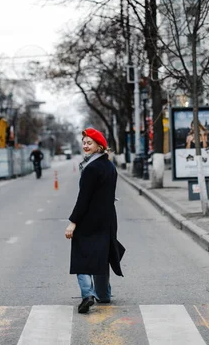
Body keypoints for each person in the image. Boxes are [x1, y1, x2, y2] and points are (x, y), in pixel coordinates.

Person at [65, 128, 125, 314]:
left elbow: (84, 199)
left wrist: (73, 223)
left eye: (89, 142)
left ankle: (87, 294)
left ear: (99, 146)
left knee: (82, 256)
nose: (85, 145)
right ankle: (104, 295)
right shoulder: (109, 166)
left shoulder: (91, 168)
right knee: (102, 255)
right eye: (84, 142)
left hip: (89, 219)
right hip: (107, 218)